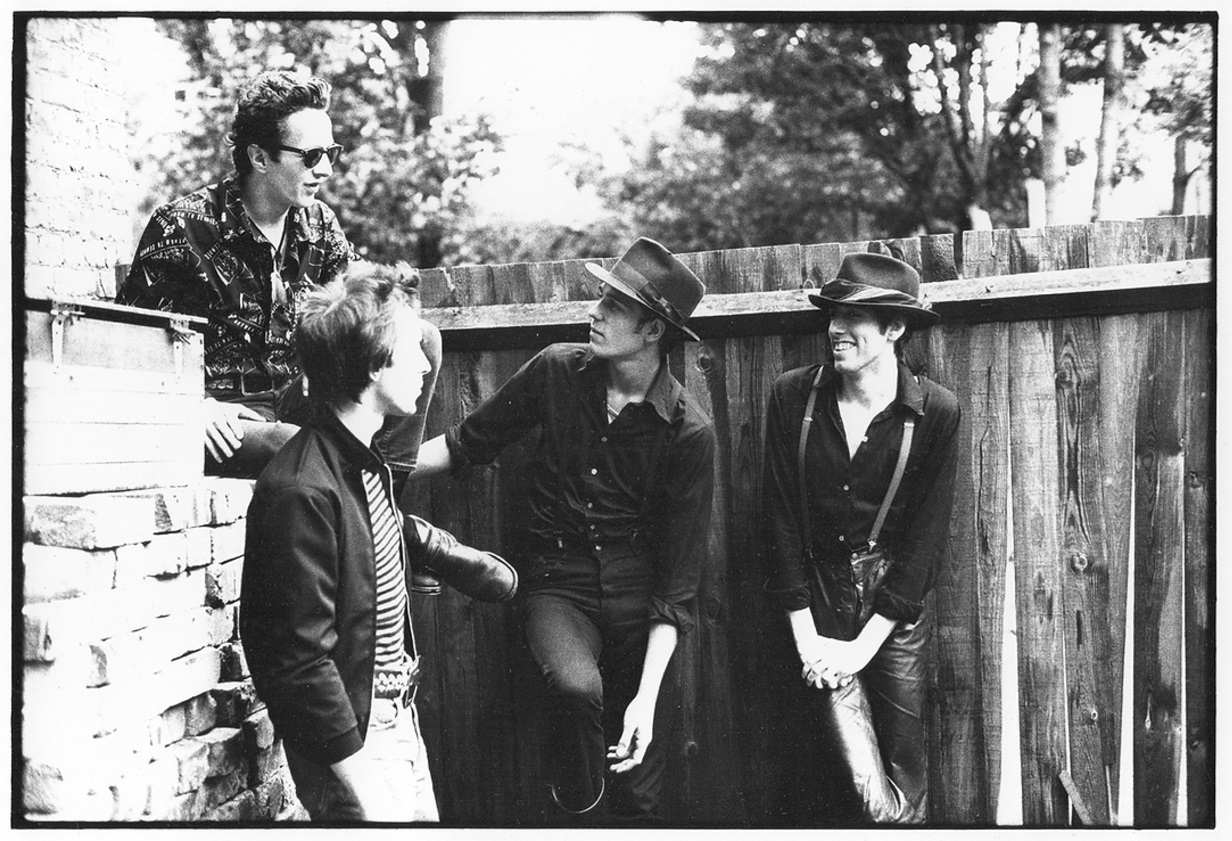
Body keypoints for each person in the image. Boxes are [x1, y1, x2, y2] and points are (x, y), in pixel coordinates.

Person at [413, 237, 716, 824]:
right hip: (556, 586)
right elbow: (464, 445)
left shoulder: (688, 432)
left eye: (614, 305)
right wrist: (371, 466)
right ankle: (578, 806)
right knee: (577, 691)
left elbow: (677, 587)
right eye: (601, 297)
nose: (594, 312)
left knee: (644, 788)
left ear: (653, 331)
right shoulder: (557, 370)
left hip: (639, 603)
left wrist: (646, 702)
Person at [239, 261, 515, 822]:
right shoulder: (301, 490)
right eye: (413, 347)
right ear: (371, 366)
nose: (425, 362)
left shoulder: (366, 465)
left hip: (395, 719)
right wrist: (366, 787)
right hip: (355, 749)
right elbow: (296, 662)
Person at [116, 69, 439, 483]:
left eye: (330, 154)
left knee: (423, 338)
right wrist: (193, 406)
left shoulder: (319, 223)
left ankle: (383, 493)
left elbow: (370, 307)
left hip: (297, 395)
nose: (324, 170)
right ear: (260, 157)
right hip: (225, 413)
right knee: (292, 444)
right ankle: (361, 492)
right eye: (310, 156)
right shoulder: (181, 227)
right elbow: (126, 347)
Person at [761, 252, 960, 824]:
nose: (835, 330)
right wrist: (808, 639)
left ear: (895, 329)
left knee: (900, 782)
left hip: (889, 609)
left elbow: (924, 544)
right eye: (832, 315)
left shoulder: (935, 412)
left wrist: (861, 646)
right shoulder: (793, 396)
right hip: (811, 600)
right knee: (831, 775)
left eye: (854, 317)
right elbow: (776, 519)